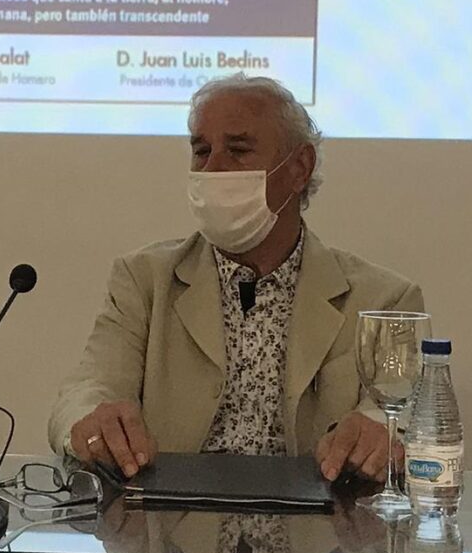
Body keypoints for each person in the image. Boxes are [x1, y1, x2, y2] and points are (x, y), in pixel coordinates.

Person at [51, 75, 424, 482]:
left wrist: (380, 430)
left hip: (320, 517)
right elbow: (88, 389)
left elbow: (405, 409)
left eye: (238, 150)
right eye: (202, 151)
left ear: (299, 167)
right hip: (169, 515)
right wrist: (90, 423)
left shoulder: (384, 298)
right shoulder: (144, 280)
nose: (213, 169)